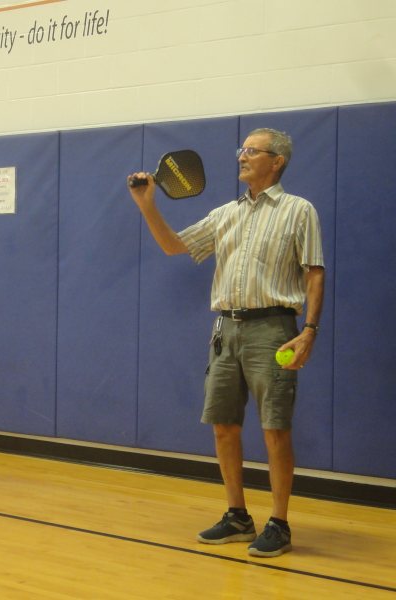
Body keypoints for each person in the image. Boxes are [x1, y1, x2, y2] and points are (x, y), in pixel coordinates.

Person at [127, 128, 324, 558]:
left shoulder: (298, 211)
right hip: (226, 330)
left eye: (253, 151)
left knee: (275, 428)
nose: (242, 156)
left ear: (277, 162)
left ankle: (279, 523)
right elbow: (173, 245)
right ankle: (237, 515)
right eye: (242, 149)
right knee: (223, 426)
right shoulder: (225, 214)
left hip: (274, 330)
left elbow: (314, 272)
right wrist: (147, 206)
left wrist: (309, 330)